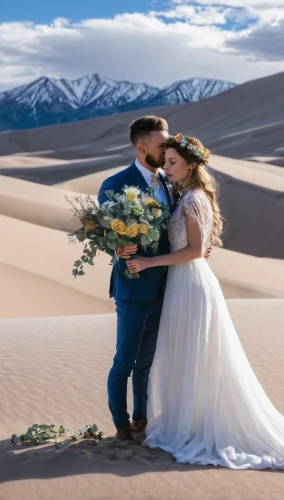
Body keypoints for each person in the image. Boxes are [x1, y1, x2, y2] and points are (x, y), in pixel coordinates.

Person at [126, 133, 284, 470]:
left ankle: (194, 429)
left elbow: (192, 251)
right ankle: (186, 423)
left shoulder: (193, 200)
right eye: (167, 161)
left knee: (195, 354)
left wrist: (149, 262)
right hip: (183, 282)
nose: (167, 167)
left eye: (174, 162)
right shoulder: (185, 197)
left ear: (192, 165)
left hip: (191, 283)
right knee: (185, 353)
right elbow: (199, 247)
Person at [97, 117, 210, 441]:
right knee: (125, 360)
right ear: (142, 147)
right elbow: (104, 232)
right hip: (133, 286)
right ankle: (120, 424)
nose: (167, 150)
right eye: (162, 146)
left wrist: (199, 247)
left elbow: (185, 225)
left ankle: (142, 419)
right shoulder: (115, 184)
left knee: (147, 360)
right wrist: (117, 245)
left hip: (169, 287)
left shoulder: (170, 181)